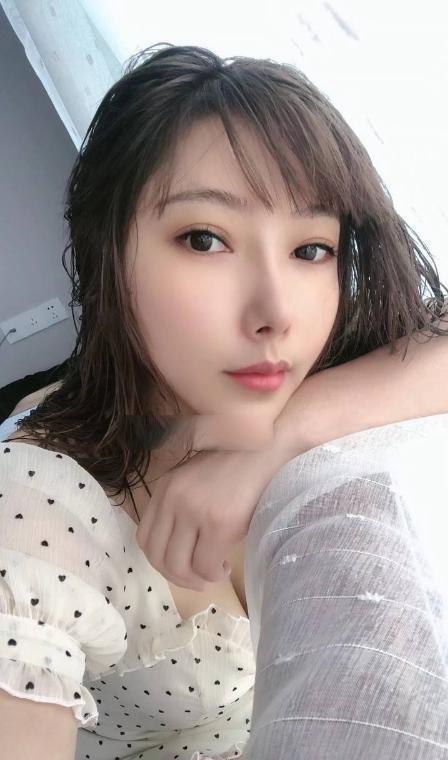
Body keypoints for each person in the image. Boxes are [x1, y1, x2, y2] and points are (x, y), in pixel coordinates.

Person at [1, 42, 448, 760]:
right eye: (205, 239)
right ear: (107, 253)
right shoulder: (35, 498)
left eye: (311, 249)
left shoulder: (315, 371)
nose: (276, 313)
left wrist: (288, 434)